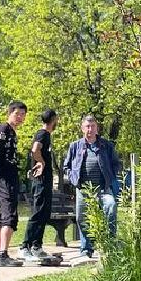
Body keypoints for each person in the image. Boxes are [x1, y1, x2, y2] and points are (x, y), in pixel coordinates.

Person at [62, 112, 122, 260]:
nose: (90, 129)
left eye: (93, 126)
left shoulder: (106, 146)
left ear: (97, 128)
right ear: (82, 128)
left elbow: (117, 164)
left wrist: (111, 176)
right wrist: (73, 179)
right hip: (83, 189)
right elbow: (66, 166)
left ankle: (110, 244)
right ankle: (86, 248)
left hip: (103, 189)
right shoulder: (75, 146)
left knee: (111, 207)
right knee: (81, 218)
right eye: (87, 126)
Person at [0, 101, 28, 267]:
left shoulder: (10, 131)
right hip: (3, 176)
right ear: (10, 113)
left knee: (1, 214)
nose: (20, 118)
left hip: (6, 175)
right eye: (17, 114)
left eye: (23, 115)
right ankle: (3, 254)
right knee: (9, 214)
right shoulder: (4, 129)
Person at [18, 109, 59, 262]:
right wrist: (41, 162)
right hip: (40, 180)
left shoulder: (47, 135)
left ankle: (37, 246)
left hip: (45, 180)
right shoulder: (42, 134)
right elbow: (35, 149)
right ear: (54, 119)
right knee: (38, 212)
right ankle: (25, 247)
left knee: (44, 213)